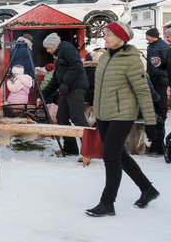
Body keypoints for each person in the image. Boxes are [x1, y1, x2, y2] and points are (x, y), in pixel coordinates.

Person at [86, 21, 160, 217]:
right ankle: (147, 189)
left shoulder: (132, 60)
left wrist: (150, 122)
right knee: (119, 155)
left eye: (108, 34)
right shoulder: (105, 57)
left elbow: (143, 92)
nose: (104, 37)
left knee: (111, 157)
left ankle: (107, 203)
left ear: (120, 38)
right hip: (104, 113)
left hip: (122, 114)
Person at [39, 32, 88, 156]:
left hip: (76, 88)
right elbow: (55, 80)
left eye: (48, 47)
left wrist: (65, 83)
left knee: (77, 118)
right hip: (67, 90)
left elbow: (76, 65)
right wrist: (42, 96)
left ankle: (88, 151)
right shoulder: (59, 56)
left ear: (54, 45)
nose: (47, 50)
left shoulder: (67, 49)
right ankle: (70, 148)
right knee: (61, 117)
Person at [144, 27, 168, 155]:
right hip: (152, 76)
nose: (146, 37)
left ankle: (161, 118)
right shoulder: (150, 46)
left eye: (147, 35)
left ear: (152, 35)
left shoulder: (162, 46)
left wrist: (165, 75)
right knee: (153, 101)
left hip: (160, 77)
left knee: (160, 102)